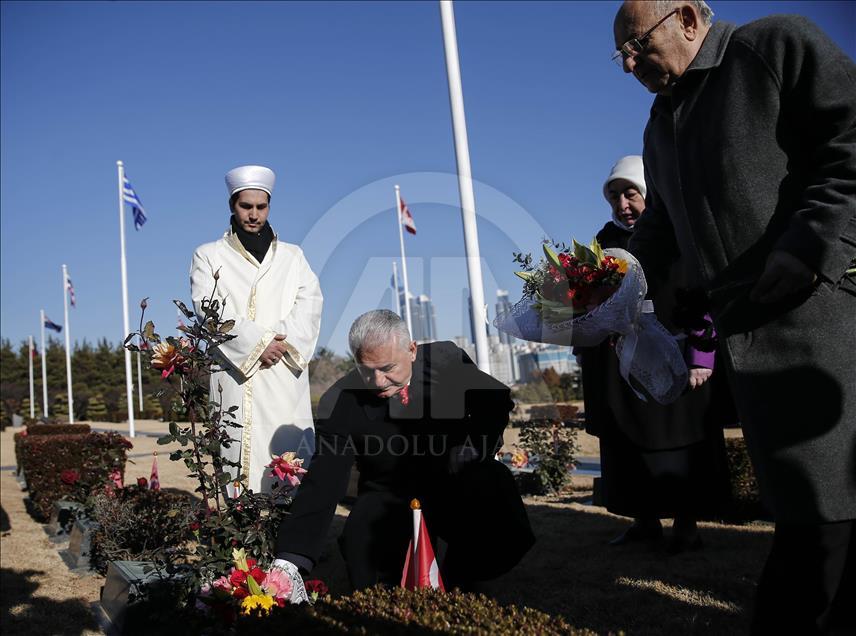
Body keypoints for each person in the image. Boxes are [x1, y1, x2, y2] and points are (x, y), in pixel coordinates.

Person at [612, 2, 855, 632]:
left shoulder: (773, 46)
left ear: (689, 18)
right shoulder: (660, 122)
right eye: (621, 56)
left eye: (637, 45)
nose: (630, 64)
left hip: (823, 324)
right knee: (807, 515)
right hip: (749, 344)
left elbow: (850, 141)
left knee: (824, 521)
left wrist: (811, 243)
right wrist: (606, 282)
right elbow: (662, 223)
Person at [273, 310, 534, 591]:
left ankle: (459, 582)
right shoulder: (339, 401)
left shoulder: (446, 360)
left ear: (411, 351)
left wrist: (473, 445)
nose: (378, 382)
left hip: (454, 480)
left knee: (490, 489)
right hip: (388, 491)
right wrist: (290, 559)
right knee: (360, 540)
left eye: (387, 369)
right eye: (366, 370)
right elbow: (324, 480)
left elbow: (494, 400)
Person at [578, 155, 732, 552]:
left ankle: (686, 525)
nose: (622, 205)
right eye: (614, 197)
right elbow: (584, 302)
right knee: (628, 445)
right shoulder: (601, 245)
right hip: (623, 367)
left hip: (673, 358)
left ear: (649, 192)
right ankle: (644, 522)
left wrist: (702, 351)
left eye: (630, 193)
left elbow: (702, 293)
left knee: (683, 443)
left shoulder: (678, 234)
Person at [190, 165, 323, 493]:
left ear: (269, 206)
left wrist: (277, 343)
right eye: (245, 206)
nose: (253, 214)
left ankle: (289, 535)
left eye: (260, 207)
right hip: (236, 374)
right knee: (236, 458)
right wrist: (257, 343)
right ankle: (239, 536)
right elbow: (209, 308)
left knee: (288, 459)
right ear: (232, 206)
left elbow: (310, 304)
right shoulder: (208, 255)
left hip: (283, 371)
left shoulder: (293, 256)